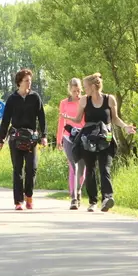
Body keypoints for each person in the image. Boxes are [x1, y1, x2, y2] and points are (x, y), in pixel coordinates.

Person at [61, 73, 136, 212]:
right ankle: (93, 201)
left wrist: (125, 126)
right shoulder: (84, 101)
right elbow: (78, 120)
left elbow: (115, 119)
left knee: (105, 168)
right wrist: (68, 118)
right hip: (88, 138)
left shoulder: (110, 99)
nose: (84, 89)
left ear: (93, 87)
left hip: (105, 137)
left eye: (85, 87)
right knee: (90, 169)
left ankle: (107, 198)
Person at [0, 68, 48, 210]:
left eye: (30, 81)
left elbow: (42, 118)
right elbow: (5, 120)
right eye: (26, 81)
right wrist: (1, 139)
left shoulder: (35, 97)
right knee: (17, 169)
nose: (29, 83)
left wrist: (44, 136)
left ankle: (29, 196)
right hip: (16, 138)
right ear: (19, 82)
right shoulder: (12, 99)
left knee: (32, 168)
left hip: (31, 138)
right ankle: (18, 201)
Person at [56, 78, 86, 210]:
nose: (76, 93)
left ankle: (79, 191)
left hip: (83, 136)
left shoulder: (85, 101)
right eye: (74, 91)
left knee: (82, 168)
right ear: (70, 90)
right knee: (73, 166)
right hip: (68, 137)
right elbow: (61, 121)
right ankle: (73, 198)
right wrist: (58, 139)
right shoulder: (64, 103)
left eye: (78, 90)